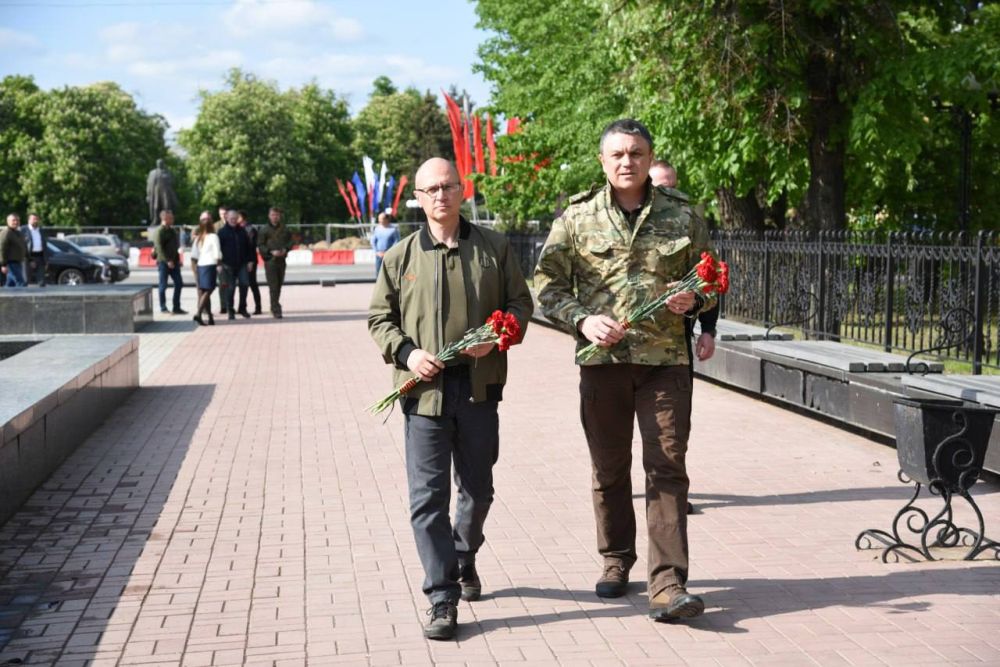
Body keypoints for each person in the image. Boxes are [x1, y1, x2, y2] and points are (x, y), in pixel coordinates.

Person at [534, 119, 716, 623]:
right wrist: (583, 320)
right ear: (603, 161)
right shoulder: (576, 217)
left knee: (666, 468)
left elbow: (711, 277)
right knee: (610, 468)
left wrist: (695, 298)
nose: (627, 162)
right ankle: (616, 560)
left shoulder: (683, 215)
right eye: (617, 154)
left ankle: (668, 583)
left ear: (649, 157)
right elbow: (546, 285)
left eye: (636, 153)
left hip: (665, 364)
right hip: (603, 364)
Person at [368, 158, 533, 641]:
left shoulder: (494, 248)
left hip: (480, 388)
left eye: (448, 186)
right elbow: (380, 319)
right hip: (425, 393)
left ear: (463, 190)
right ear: (417, 198)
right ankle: (443, 597)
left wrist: (499, 338)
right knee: (427, 500)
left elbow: (521, 306)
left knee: (478, 489)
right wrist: (409, 353)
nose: (440, 195)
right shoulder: (399, 258)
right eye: (430, 189)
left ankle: (463, 555)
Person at [649, 160, 718, 365]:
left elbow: (709, 276)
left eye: (672, 187)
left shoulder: (689, 223)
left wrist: (708, 330)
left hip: (674, 341)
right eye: (661, 188)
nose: (669, 193)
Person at [257, 206, 293, 319]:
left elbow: (291, 241)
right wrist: (270, 252)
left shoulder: (285, 229)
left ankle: (274, 305)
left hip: (282, 260)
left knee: (279, 285)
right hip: (270, 261)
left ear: (279, 216)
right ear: (269, 215)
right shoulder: (264, 230)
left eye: (277, 215)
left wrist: (285, 250)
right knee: (273, 286)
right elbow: (260, 245)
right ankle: (276, 308)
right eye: (273, 215)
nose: (275, 217)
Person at [217, 209, 253, 320]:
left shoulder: (242, 231)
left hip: (242, 263)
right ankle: (230, 310)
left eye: (235, 218)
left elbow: (249, 247)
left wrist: (250, 261)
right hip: (227, 265)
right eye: (231, 218)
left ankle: (242, 308)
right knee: (230, 288)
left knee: (245, 284)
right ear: (226, 218)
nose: (233, 220)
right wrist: (219, 264)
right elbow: (218, 250)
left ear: (238, 218)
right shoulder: (221, 232)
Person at [153, 210, 186, 314]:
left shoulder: (172, 231)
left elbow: (175, 247)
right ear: (164, 219)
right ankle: (163, 308)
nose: (173, 219)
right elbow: (159, 248)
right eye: (171, 218)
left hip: (174, 262)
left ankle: (176, 307)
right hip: (164, 262)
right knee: (163, 285)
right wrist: (167, 261)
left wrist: (177, 260)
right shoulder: (159, 231)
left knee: (179, 283)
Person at [191, 214, 221, 326]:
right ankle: (198, 313)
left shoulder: (199, 237)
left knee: (204, 291)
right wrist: (219, 263)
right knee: (209, 290)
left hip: (200, 265)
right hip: (210, 265)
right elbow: (217, 252)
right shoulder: (213, 236)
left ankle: (210, 317)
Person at [238, 210, 262, 314]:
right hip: (241, 261)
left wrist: (251, 261)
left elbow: (252, 247)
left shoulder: (250, 229)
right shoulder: (239, 229)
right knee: (242, 284)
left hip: (250, 260)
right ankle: (241, 306)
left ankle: (258, 307)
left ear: (242, 218)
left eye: (237, 217)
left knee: (252, 283)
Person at [146, 158, 179, 226]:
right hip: (155, 193)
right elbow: (149, 184)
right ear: (157, 164)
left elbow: (171, 184)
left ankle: (167, 222)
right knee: (156, 208)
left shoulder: (167, 173)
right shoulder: (152, 173)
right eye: (158, 163)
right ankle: (155, 220)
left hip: (165, 194)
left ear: (163, 164)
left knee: (166, 208)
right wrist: (148, 195)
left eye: (161, 163)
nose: (160, 164)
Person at [0, 213, 28, 287]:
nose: (16, 222)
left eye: (17, 220)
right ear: (8, 222)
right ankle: (24, 298)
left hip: (18, 262)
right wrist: (3, 264)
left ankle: (3, 298)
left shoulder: (19, 233)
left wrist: (29, 258)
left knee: (10, 284)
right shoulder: (6, 233)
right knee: (21, 283)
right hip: (10, 263)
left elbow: (24, 246)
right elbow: (2, 249)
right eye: (13, 220)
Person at [21, 213, 49, 286]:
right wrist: (29, 259)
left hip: (40, 257)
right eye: (34, 219)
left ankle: (42, 296)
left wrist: (46, 260)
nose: (35, 221)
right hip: (27, 258)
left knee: (42, 280)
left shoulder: (41, 230)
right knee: (25, 279)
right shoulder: (23, 230)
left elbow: (44, 245)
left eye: (37, 219)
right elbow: (21, 246)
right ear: (29, 220)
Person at [371, 211, 400, 277]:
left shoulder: (393, 229)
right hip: (379, 255)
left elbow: (396, 242)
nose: (379, 220)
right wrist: (377, 252)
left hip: (389, 254)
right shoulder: (377, 229)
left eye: (381, 219)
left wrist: (388, 252)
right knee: (378, 273)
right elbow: (373, 241)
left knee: (389, 273)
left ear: (387, 219)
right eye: (379, 219)